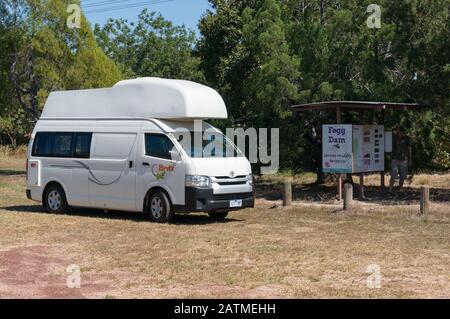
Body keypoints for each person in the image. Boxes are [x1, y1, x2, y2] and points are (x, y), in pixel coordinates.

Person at [389, 126, 412, 193]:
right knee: (393, 175)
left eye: (398, 130)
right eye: (396, 130)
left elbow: (409, 149)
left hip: (403, 159)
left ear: (401, 130)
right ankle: (390, 190)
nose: (397, 131)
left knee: (402, 175)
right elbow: (388, 132)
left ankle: (400, 189)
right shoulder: (393, 138)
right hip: (395, 158)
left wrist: (410, 159)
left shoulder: (407, 138)